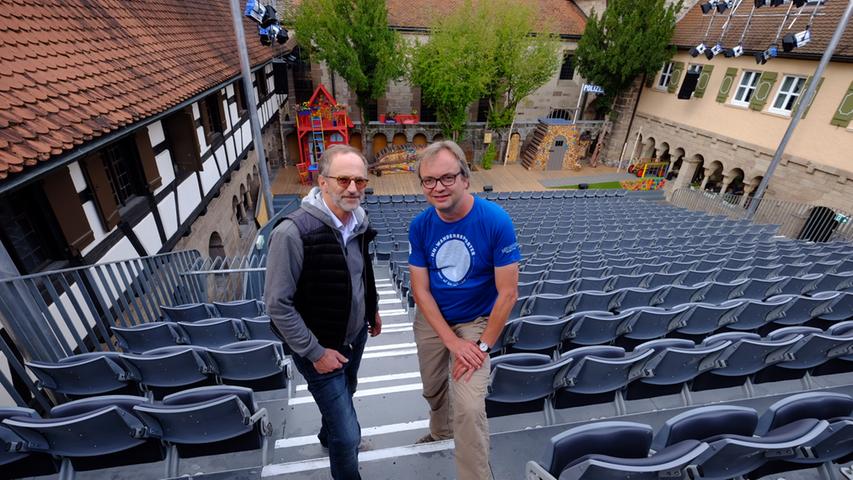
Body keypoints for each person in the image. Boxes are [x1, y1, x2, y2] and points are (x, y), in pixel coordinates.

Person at [265, 144, 381, 480]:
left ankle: (325, 434)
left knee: (349, 389)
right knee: (348, 435)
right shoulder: (292, 232)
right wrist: (315, 353)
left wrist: (371, 308)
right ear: (323, 181)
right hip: (319, 346)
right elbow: (276, 305)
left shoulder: (359, 219)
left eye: (360, 181)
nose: (353, 188)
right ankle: (340, 446)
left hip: (354, 335)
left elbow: (361, 271)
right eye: (343, 179)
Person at [408, 141, 520, 480]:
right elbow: (421, 290)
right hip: (432, 318)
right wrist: (451, 343)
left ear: (465, 179)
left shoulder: (495, 220)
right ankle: (440, 429)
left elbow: (508, 293)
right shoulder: (420, 225)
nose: (437, 187)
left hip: (476, 321)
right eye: (429, 180)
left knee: (469, 407)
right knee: (432, 387)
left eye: (446, 178)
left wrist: (481, 346)